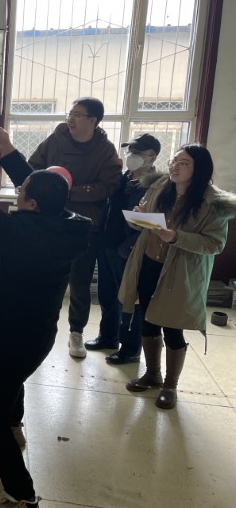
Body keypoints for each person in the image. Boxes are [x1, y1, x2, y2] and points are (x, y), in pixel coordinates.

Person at [0, 127, 91, 508]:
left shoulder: (17, 231)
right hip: (35, 336)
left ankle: (22, 493)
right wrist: (9, 153)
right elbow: (45, 194)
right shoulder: (74, 227)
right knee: (11, 382)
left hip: (2, 336)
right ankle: (14, 425)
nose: (18, 194)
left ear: (31, 205)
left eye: (21, 193)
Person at [120, 144, 236, 409]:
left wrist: (175, 237)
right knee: (147, 320)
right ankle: (152, 374)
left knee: (172, 327)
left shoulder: (213, 202)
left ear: (199, 168)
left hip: (180, 272)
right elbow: (142, 219)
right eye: (174, 161)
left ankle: (170, 386)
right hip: (148, 263)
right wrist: (138, 217)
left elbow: (214, 244)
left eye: (184, 163)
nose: (174, 167)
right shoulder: (160, 187)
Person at [28, 97, 121, 358]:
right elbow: (34, 166)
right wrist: (44, 187)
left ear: (93, 120)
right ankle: (38, 324)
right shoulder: (55, 140)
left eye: (78, 114)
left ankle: (76, 332)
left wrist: (69, 192)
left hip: (85, 224)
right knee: (43, 275)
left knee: (80, 282)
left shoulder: (105, 150)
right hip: (50, 221)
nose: (71, 118)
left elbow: (109, 186)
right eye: (70, 113)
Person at [86, 133, 161, 363]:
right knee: (107, 294)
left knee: (130, 300)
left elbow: (157, 222)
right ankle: (108, 337)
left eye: (137, 153)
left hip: (131, 249)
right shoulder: (122, 178)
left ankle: (130, 348)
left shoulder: (158, 186)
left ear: (151, 157)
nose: (131, 156)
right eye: (130, 152)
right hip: (108, 243)